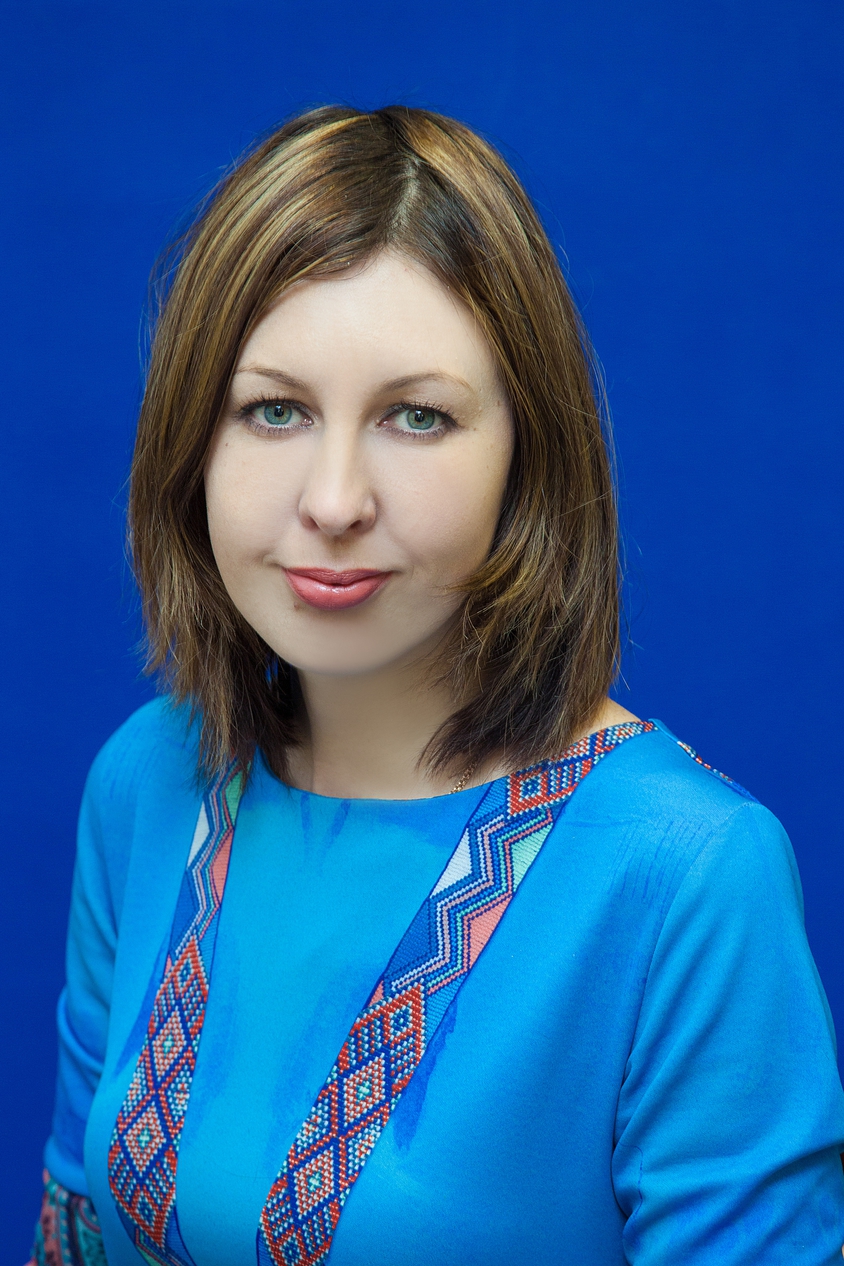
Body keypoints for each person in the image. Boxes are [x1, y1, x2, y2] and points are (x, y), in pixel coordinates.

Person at [31, 105, 844, 1266]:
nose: (334, 500)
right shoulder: (149, 780)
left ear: (526, 458)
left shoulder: (686, 873)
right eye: (273, 410)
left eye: (417, 417)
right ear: (191, 442)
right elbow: (74, 1229)